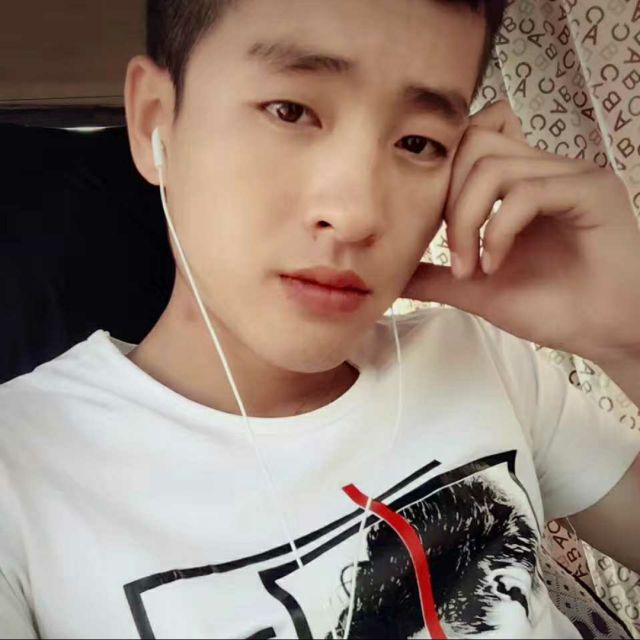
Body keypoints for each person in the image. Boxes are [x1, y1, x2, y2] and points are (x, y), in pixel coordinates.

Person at [1, 0, 639, 638]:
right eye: (291, 111)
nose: (358, 214)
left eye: (418, 143)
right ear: (154, 123)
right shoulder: (20, 473)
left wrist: (628, 337)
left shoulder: (477, 358)